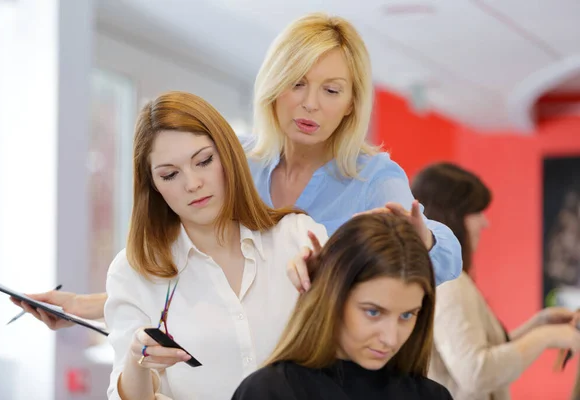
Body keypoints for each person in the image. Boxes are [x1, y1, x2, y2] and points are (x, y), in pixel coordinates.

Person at [13, 12, 461, 329]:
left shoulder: (374, 178)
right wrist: (78, 306)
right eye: (297, 83)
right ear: (273, 84)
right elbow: (196, 278)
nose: (310, 103)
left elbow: (445, 262)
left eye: (331, 90)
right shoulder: (236, 160)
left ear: (350, 103)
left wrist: (420, 240)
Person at [104, 91, 329, 400]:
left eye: (204, 161)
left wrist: (333, 287)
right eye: (170, 174)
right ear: (153, 186)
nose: (192, 183)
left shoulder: (297, 238)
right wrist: (136, 359)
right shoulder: (133, 273)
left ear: (228, 155)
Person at [232, 213, 452, 400]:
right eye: (373, 312)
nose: (390, 339)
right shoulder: (268, 392)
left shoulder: (432, 396)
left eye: (407, 315)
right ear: (333, 297)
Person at [411, 162, 580, 400]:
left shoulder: (452, 280)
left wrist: (541, 325)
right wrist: (547, 337)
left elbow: (486, 354)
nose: (484, 222)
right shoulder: (450, 283)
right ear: (454, 215)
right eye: (476, 212)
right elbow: (476, 373)